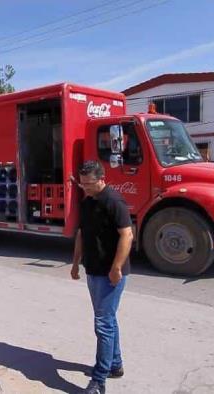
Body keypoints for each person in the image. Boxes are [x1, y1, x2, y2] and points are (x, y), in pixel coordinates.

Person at [70, 161, 133, 394]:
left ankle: (99, 380)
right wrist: (76, 263)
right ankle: (115, 365)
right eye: (82, 183)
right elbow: (81, 234)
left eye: (88, 183)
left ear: (101, 179)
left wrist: (116, 267)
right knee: (107, 319)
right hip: (93, 270)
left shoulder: (113, 201)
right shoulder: (87, 201)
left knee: (103, 324)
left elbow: (127, 235)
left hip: (111, 274)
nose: (84, 187)